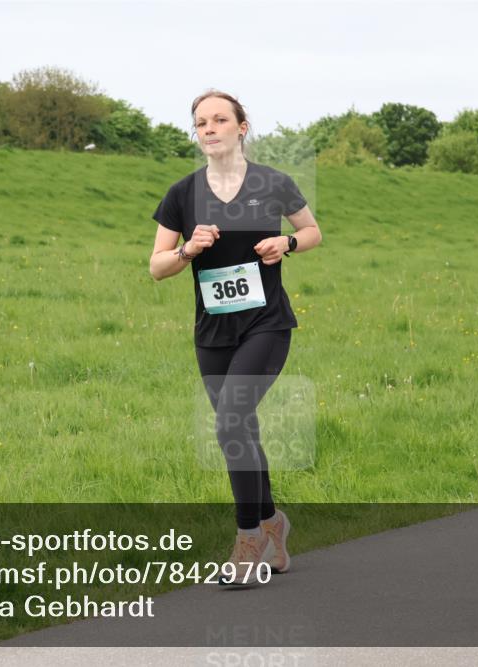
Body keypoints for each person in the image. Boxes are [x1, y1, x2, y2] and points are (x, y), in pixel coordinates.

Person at [148, 89, 322, 585]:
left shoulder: (273, 183)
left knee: (229, 423)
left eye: (220, 119)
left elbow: (312, 232)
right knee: (240, 430)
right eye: (201, 122)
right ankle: (273, 523)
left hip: (266, 324)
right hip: (213, 332)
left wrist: (287, 241)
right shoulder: (183, 194)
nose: (209, 129)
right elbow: (156, 266)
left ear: (241, 127)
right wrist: (188, 250)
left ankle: (248, 540)